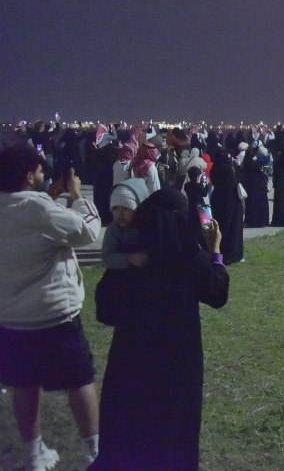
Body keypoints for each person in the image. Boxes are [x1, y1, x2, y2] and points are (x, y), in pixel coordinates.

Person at [89, 188, 229, 471]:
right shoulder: (190, 255)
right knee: (174, 423)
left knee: (131, 419)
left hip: (131, 354)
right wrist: (214, 251)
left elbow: (105, 308)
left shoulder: (135, 255)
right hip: (179, 357)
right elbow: (217, 293)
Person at [0, 146, 101, 470]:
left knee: (24, 384)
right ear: (29, 176)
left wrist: (50, 197)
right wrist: (75, 196)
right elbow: (85, 229)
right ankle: (94, 451)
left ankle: (33, 454)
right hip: (54, 314)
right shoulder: (39, 211)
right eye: (41, 173)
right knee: (79, 380)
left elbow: (37, 223)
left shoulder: (15, 207)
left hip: (12, 318)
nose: (45, 177)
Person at [101, 179, 151, 270]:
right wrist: (129, 259)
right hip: (121, 275)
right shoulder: (114, 229)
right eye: (116, 208)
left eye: (126, 208)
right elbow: (106, 258)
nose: (120, 214)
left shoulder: (148, 226)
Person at [209, 150, 244, 264]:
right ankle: (233, 254)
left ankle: (220, 252)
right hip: (231, 200)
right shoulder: (229, 169)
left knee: (221, 227)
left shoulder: (215, 169)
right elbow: (238, 179)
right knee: (233, 228)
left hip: (218, 199)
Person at [241, 144, 270, 228]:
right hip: (258, 186)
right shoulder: (254, 162)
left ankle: (252, 220)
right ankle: (261, 221)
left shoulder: (248, 161)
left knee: (251, 204)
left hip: (252, 187)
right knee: (260, 204)